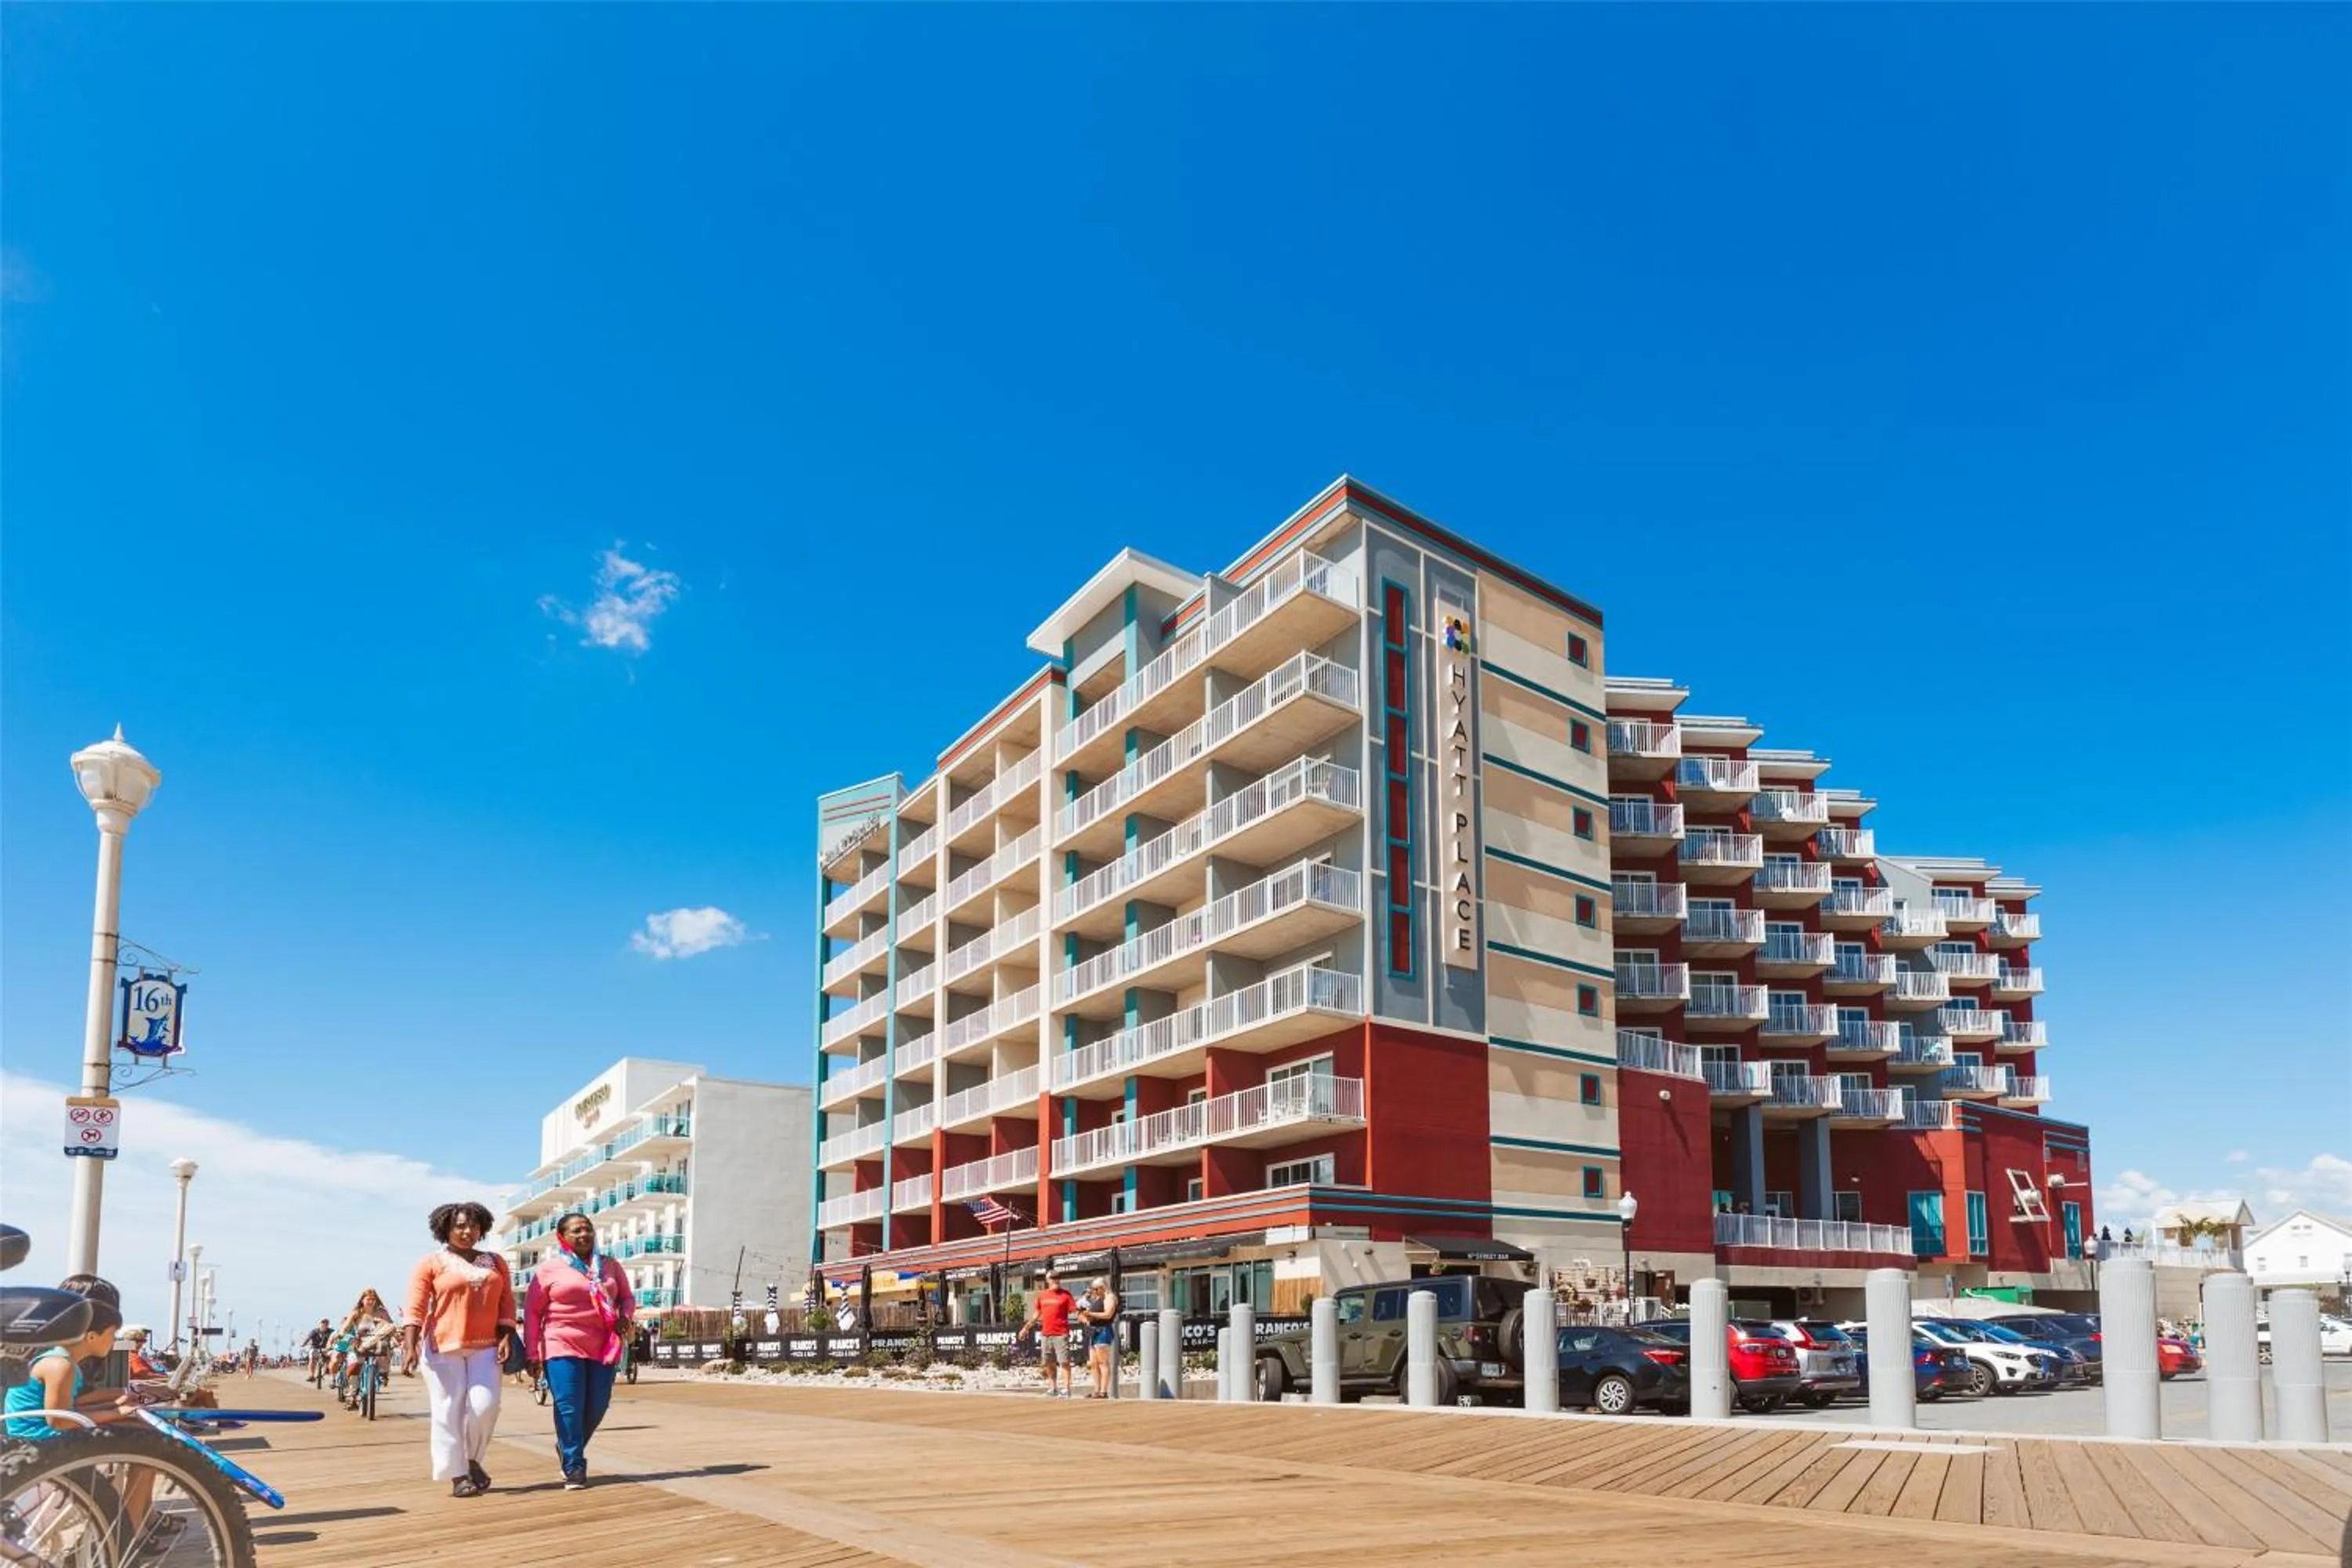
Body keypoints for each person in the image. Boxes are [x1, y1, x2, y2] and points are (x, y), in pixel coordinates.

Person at [401, 1201, 517, 1499]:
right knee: (448, 1411)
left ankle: (473, 1460)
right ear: (446, 1229)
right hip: (443, 1346)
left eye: (473, 1225)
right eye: (460, 1226)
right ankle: (457, 1475)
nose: (468, 1231)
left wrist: (506, 1334)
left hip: (486, 1345)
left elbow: (506, 1301)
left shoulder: (495, 1262)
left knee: (484, 1406)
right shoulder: (431, 1262)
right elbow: (415, 1306)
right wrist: (410, 1344)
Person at [522, 1211, 637, 1490]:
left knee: (597, 1405)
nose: (583, 1234)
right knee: (569, 1406)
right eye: (576, 1231)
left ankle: (567, 1446)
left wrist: (626, 1316)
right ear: (562, 1237)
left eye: (587, 1229)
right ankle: (574, 1466)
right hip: (561, 1341)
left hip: (604, 1344)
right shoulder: (549, 1269)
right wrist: (532, 1353)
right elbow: (533, 1312)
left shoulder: (609, 1265)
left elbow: (626, 1297)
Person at [1022, 1270, 1078, 1399]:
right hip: (1046, 1334)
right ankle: (1053, 1388)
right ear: (1047, 1280)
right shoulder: (1042, 1296)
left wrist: (1083, 1318)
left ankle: (1066, 1389)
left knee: (1064, 1361)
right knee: (1048, 1362)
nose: (1056, 1280)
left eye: (1058, 1277)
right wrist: (1026, 1328)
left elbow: (1075, 1311)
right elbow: (1037, 1314)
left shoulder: (1066, 1295)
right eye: (1053, 1278)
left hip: (1061, 1333)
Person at [1081, 1277, 1120, 1399]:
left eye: (1096, 1289)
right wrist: (1086, 1317)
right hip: (1094, 1331)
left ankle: (1103, 1391)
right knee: (1094, 1363)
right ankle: (1097, 1390)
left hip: (1104, 1331)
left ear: (1103, 1287)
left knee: (1103, 1362)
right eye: (1093, 1289)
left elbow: (1108, 1314)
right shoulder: (1099, 1298)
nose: (1094, 1292)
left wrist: (1091, 1314)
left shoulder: (1110, 1297)